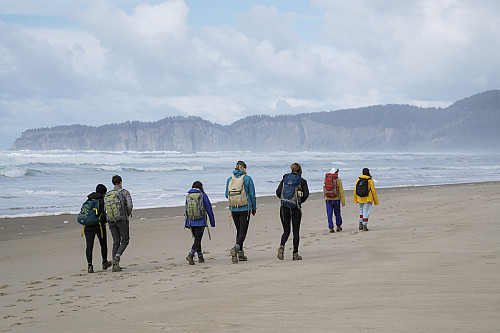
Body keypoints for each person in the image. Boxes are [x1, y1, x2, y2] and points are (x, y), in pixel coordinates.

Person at [276, 163, 309, 260]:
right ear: (300, 171)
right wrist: (299, 201)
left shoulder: (285, 179)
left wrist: (284, 199)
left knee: (286, 231)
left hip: (284, 207)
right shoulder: (302, 181)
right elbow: (306, 194)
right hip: (296, 208)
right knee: (296, 231)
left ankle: (282, 246)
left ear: (291, 169)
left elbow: (278, 192)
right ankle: (295, 254)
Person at [225, 161, 257, 263]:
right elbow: (252, 194)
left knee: (239, 231)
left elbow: (227, 195)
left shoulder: (230, 179)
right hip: (245, 208)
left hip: (234, 208)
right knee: (243, 232)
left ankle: (240, 254)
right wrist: (254, 208)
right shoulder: (247, 179)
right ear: (244, 168)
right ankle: (236, 248)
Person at [185, 181, 216, 265]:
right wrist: (212, 222)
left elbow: (186, 210)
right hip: (200, 221)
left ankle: (200, 256)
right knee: (198, 240)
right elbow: (209, 209)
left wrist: (186, 223)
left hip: (191, 221)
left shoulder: (188, 196)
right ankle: (191, 255)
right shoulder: (203, 196)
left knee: (197, 239)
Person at [83, 184, 112, 273]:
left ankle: (90, 265)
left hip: (87, 226)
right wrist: (106, 221)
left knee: (89, 245)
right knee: (103, 244)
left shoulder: (89, 199)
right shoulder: (101, 201)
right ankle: (104, 262)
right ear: (104, 193)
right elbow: (102, 214)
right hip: (99, 225)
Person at [107, 175, 133, 272]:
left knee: (116, 242)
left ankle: (114, 267)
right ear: (121, 182)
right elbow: (129, 205)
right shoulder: (125, 192)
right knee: (125, 240)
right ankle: (117, 257)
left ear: (113, 183)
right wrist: (127, 214)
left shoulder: (109, 194)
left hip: (111, 220)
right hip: (122, 219)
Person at [323, 167, 345, 233]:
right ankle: (338, 226)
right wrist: (343, 201)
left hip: (327, 199)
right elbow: (341, 191)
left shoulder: (326, 178)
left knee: (329, 213)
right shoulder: (338, 180)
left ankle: (331, 227)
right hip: (336, 199)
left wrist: (325, 197)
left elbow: (324, 188)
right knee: (337, 213)